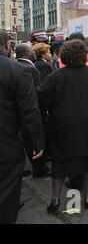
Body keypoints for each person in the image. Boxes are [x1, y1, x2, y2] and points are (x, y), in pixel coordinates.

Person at [38, 40, 88, 214]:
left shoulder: (55, 77)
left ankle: (55, 198)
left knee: (60, 162)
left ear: (64, 56)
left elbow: (42, 99)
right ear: (84, 56)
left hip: (63, 125)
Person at [0, 31, 45, 224]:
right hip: (6, 146)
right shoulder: (17, 70)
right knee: (6, 200)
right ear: (6, 45)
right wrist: (36, 142)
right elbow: (29, 111)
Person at [15, 43, 51, 178]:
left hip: (17, 114)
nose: (33, 52)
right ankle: (40, 169)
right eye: (30, 50)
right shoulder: (30, 68)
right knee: (34, 141)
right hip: (32, 112)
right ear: (26, 53)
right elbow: (37, 93)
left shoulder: (16, 65)